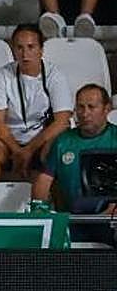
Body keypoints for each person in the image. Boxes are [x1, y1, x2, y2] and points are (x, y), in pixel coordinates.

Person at [0, 24, 73, 186]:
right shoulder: (4, 74)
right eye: (20, 48)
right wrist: (17, 151)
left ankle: (54, 198)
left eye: (31, 47)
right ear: (13, 50)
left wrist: (29, 150)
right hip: (11, 142)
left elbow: (62, 121)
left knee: (56, 148)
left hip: (42, 140)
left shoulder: (55, 76)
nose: (25, 54)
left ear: (41, 50)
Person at [33, 84, 117, 213]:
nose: (85, 113)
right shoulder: (63, 141)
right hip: (72, 217)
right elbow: (45, 179)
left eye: (91, 107)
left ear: (106, 109)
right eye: (80, 107)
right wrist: (38, 209)